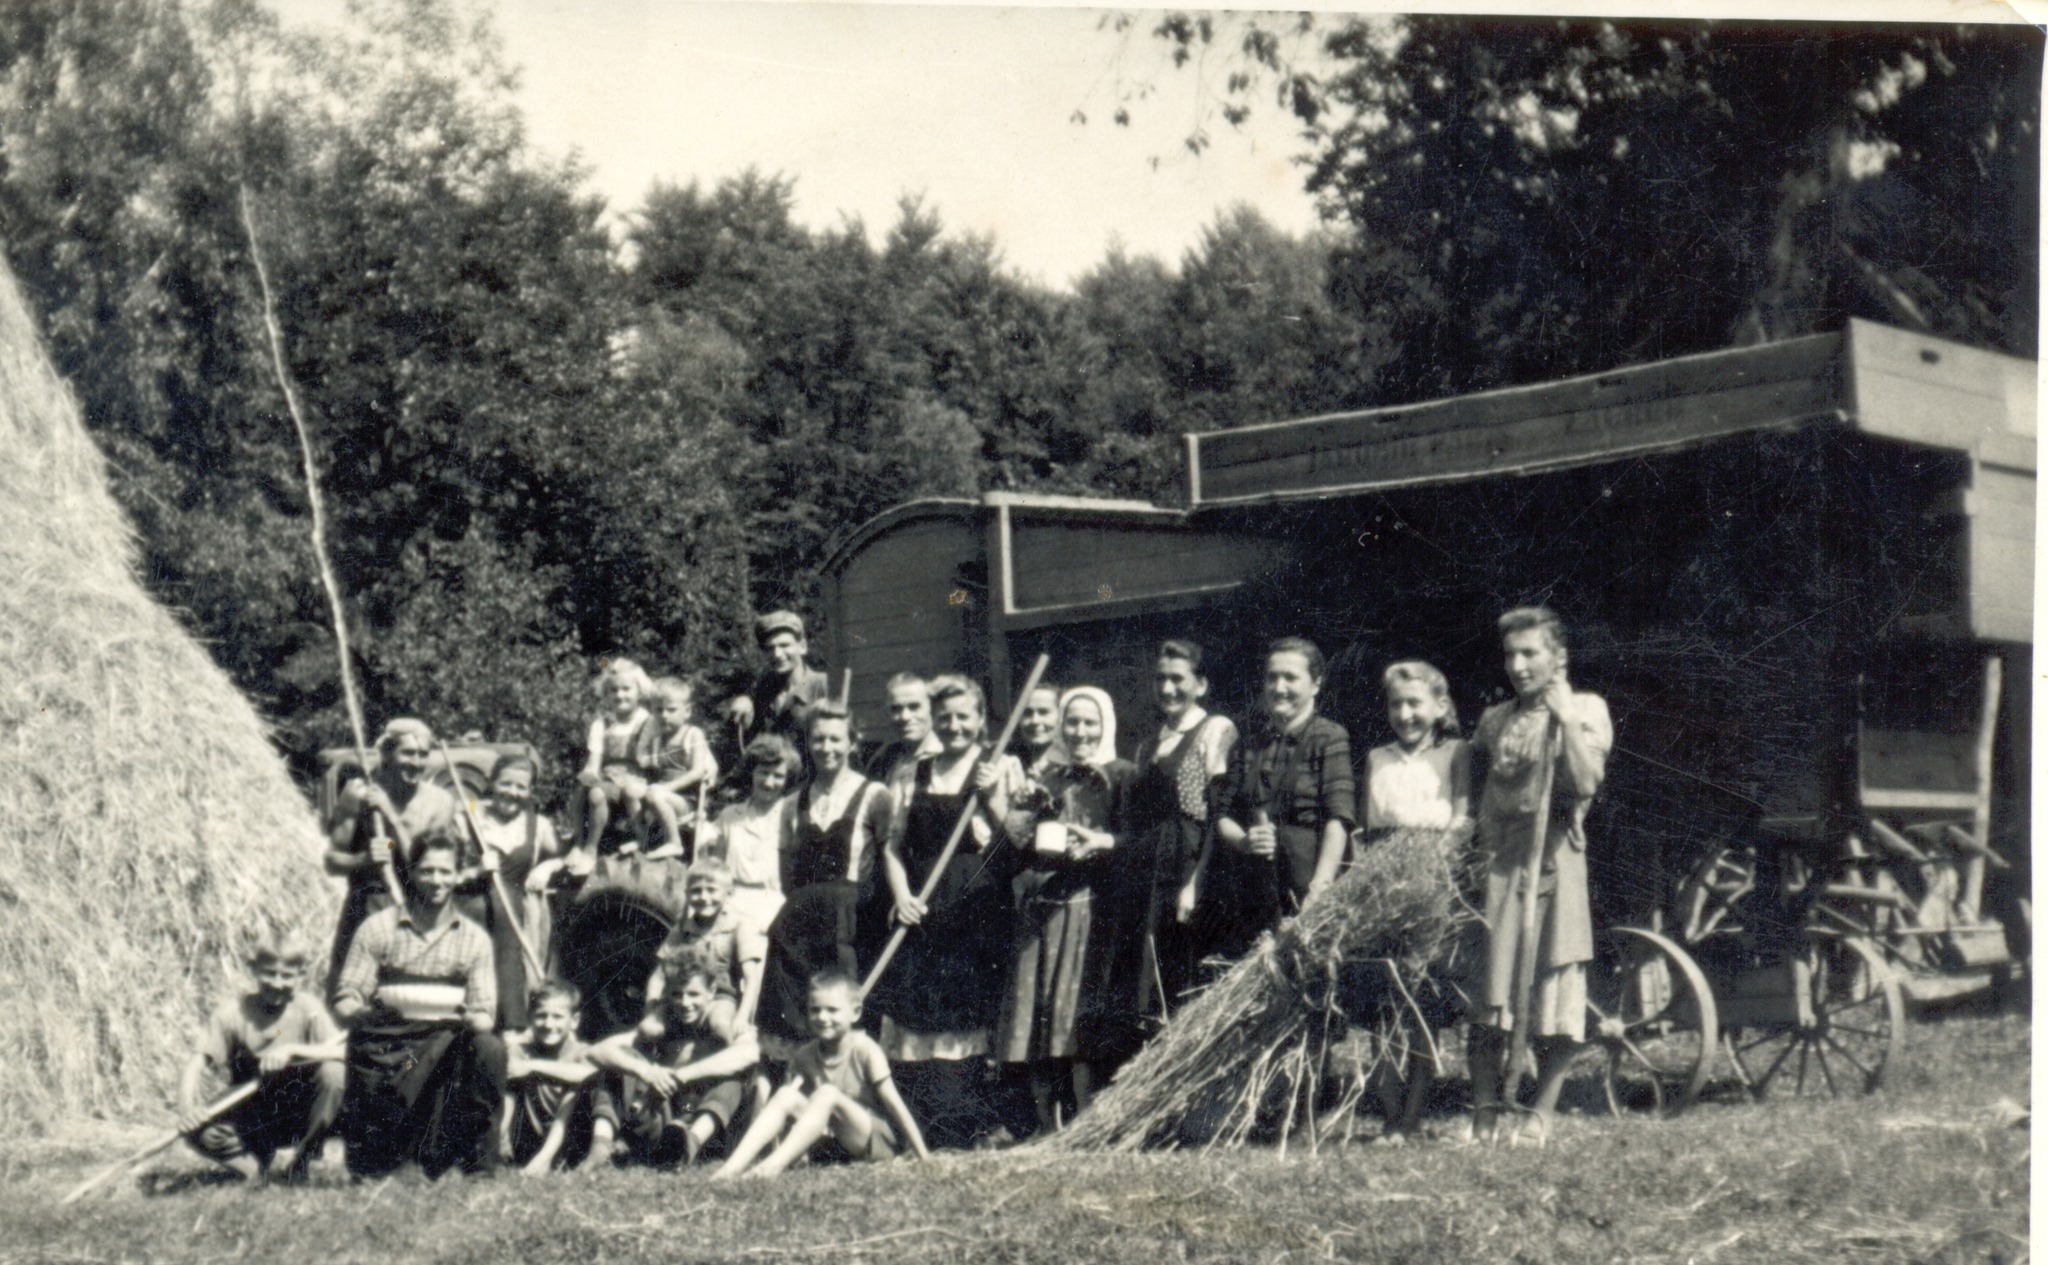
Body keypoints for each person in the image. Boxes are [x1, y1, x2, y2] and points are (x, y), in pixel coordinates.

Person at [1466, 607, 1612, 1146]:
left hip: (1553, 862)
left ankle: (1539, 1115)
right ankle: (1484, 1110)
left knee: (1553, 994)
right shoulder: (1495, 721)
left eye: (1531, 653)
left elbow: (1586, 779)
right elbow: (1477, 786)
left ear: (1560, 657)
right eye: (1511, 654)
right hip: (1500, 865)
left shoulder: (1586, 709)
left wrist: (1565, 720)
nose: (1519, 664)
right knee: (1488, 992)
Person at [866, 674, 1024, 1149]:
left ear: (979, 721)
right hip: (923, 909)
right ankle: (919, 1128)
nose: (954, 726)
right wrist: (901, 897)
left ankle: (964, 1125)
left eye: (963, 717)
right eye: (945, 718)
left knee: (966, 1016)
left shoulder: (998, 767)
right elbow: (891, 847)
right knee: (918, 1014)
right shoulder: (914, 772)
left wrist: (994, 798)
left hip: (975, 908)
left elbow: (1016, 845)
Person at [997, 686, 1136, 1132]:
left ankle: (1086, 1121)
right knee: (1036, 1016)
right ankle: (1045, 1124)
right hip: (1045, 908)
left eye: (1089, 723)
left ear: (1105, 726)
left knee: (1076, 1017)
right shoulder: (1046, 779)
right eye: (1072, 722)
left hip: (1093, 910)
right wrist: (1020, 818)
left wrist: (1103, 844)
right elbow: (1021, 845)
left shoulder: (1123, 776)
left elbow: (1140, 842)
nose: (1080, 732)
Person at [332, 833, 508, 1180]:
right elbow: (345, 997)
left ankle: (476, 1166)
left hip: (445, 1045)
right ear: (411, 872)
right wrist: (358, 1008)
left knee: (490, 1050)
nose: (437, 881)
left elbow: (485, 1013)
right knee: (386, 1060)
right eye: (427, 871)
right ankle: (384, 1160)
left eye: (445, 871)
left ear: (458, 874)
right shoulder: (378, 928)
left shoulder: (474, 939)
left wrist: (472, 1017)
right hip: (393, 1043)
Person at [1359, 659, 1473, 1137]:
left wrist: (1430, 868)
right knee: (1384, 1001)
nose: (1404, 714)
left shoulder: (1455, 754)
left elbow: (1464, 818)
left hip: (1431, 880)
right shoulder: (1377, 758)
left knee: (1420, 998)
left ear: (1439, 706)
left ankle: (1413, 1114)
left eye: (1415, 703)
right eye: (1396, 704)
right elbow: (1367, 830)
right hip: (1383, 886)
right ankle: (1389, 1115)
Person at [758, 703, 890, 1065]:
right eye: (818, 739)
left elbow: (887, 860)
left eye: (836, 738)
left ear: (852, 742)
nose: (826, 747)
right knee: (793, 1022)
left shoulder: (876, 795)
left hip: (851, 923)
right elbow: (787, 873)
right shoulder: (791, 803)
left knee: (843, 1020)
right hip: (798, 925)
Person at [1211, 638, 1356, 958]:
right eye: (1272, 677)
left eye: (1290, 678)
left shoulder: (1328, 737)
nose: (1279, 687)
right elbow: (1221, 814)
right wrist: (1245, 840)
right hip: (1256, 893)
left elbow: (1339, 817)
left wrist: (1321, 888)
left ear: (1316, 684)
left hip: (1309, 886)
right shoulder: (1248, 744)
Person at [1118, 639, 1238, 1024]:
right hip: (1150, 874)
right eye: (1160, 679)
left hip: (1190, 866)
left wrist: (1195, 883)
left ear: (1201, 685)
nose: (1167, 688)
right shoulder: (1147, 745)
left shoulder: (1215, 729)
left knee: (1187, 981)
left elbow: (1217, 814)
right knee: (1152, 989)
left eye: (1177, 679)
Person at [715, 970, 928, 1179]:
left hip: (872, 1139)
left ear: (855, 1013)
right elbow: (785, 1112)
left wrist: (923, 1156)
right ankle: (730, 1168)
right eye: (815, 1010)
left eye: (832, 1010)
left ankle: (770, 1167)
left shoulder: (865, 1049)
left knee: (827, 1093)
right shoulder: (805, 1055)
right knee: (785, 1095)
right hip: (834, 1141)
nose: (823, 1017)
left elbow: (894, 1104)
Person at [176, 927, 344, 1185]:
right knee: (197, 1129)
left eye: (287, 975)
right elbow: (196, 1063)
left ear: (301, 975)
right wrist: (187, 1108)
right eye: (269, 973)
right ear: (253, 969)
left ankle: (301, 1164)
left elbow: (343, 1051)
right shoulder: (232, 1013)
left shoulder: (307, 1008)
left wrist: (294, 1051)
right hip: (254, 1112)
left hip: (300, 1112)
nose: (277, 983)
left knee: (334, 1073)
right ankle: (253, 1170)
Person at [324, 717, 460, 997]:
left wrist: (390, 814)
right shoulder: (357, 793)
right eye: (408, 753)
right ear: (387, 753)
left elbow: (429, 862)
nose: (417, 762)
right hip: (367, 903)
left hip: (417, 907)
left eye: (423, 755)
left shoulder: (440, 802)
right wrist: (363, 861)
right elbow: (332, 861)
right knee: (353, 993)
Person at [587, 958, 759, 1167]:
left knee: (732, 1080)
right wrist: (646, 1071)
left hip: (706, 1121)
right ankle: (600, 1149)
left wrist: (682, 1075)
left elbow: (750, 1053)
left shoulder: (722, 1022)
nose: (685, 1003)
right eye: (677, 994)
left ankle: (689, 1146)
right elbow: (597, 1051)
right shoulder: (664, 1023)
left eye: (694, 994)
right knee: (613, 1066)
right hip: (663, 1116)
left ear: (712, 991)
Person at [457, 751, 561, 1032]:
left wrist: (547, 867)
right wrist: (475, 870)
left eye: (521, 787)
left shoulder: (539, 826)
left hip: (512, 928)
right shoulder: (466, 815)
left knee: (510, 990)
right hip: (465, 921)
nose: (512, 792)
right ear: (492, 782)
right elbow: (436, 873)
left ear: (530, 791)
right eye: (506, 783)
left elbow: (560, 856)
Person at [645, 860, 769, 1027]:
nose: (704, 897)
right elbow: (658, 976)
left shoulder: (739, 925)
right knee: (650, 1029)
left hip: (721, 998)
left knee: (720, 1025)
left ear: (729, 893)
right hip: (683, 997)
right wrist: (651, 1010)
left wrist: (742, 1017)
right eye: (696, 891)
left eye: (711, 890)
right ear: (686, 894)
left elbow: (751, 979)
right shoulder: (683, 928)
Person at [500, 980, 602, 1174]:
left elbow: (588, 1074)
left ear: (574, 1021)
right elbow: (512, 1074)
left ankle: (544, 1159)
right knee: (510, 1084)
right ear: (529, 1018)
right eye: (541, 1016)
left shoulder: (582, 1052)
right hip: (530, 1138)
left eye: (557, 1017)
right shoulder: (521, 1051)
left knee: (576, 1088)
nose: (548, 1024)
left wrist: (533, 1066)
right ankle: (494, 1146)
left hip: (572, 1141)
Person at [703, 735, 800, 932]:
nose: (770, 782)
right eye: (764, 773)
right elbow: (714, 868)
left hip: (774, 908)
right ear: (751, 773)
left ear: (787, 779)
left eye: (778, 776)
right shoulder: (730, 816)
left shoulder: (792, 818)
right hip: (729, 906)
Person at [578, 658, 657, 855]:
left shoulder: (648, 721)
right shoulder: (602, 724)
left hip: (639, 779)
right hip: (610, 780)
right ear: (606, 694)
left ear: (639, 691)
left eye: (626, 689)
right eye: (613, 690)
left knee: (631, 792)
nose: (620, 695)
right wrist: (590, 773)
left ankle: (643, 841)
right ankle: (588, 846)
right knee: (593, 793)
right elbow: (594, 760)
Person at [726, 610, 831, 757]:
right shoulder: (763, 690)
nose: (777, 654)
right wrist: (744, 701)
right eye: (770, 648)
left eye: (784, 645)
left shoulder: (823, 685)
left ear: (802, 647)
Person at [641, 676, 717, 858]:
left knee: (653, 793)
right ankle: (641, 839)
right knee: (635, 792)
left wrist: (666, 788)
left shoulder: (693, 734)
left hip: (687, 802)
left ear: (687, 711)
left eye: (671, 710)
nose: (664, 715)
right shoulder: (657, 740)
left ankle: (675, 843)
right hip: (664, 796)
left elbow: (697, 772)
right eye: (658, 710)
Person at [861, 672, 939, 783]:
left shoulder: (945, 757)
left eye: (914, 707)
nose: (904, 717)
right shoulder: (882, 760)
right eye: (896, 709)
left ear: (932, 708)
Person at [1010, 683, 1066, 784]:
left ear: (1061, 716)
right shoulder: (1009, 760)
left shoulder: (1069, 766)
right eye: (1027, 713)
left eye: (1043, 712)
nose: (1035, 720)